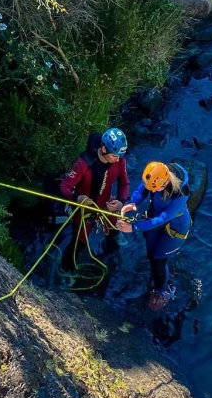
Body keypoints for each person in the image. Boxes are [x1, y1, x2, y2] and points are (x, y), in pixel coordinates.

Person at [56, 128, 130, 284]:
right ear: (103, 149)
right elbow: (64, 187)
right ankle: (65, 269)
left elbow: (124, 183)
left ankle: (113, 238)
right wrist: (77, 197)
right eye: (114, 156)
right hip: (84, 211)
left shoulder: (119, 160)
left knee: (114, 228)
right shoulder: (83, 164)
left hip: (106, 206)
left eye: (119, 156)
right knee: (79, 244)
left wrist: (121, 202)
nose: (117, 160)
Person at [120, 161, 192, 312]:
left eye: (156, 189)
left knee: (158, 261)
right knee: (151, 255)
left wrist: (134, 227)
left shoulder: (180, 193)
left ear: (164, 182)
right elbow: (142, 190)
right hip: (155, 219)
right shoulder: (156, 173)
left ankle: (163, 290)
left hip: (174, 229)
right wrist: (133, 202)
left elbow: (163, 218)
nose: (154, 191)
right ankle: (166, 272)